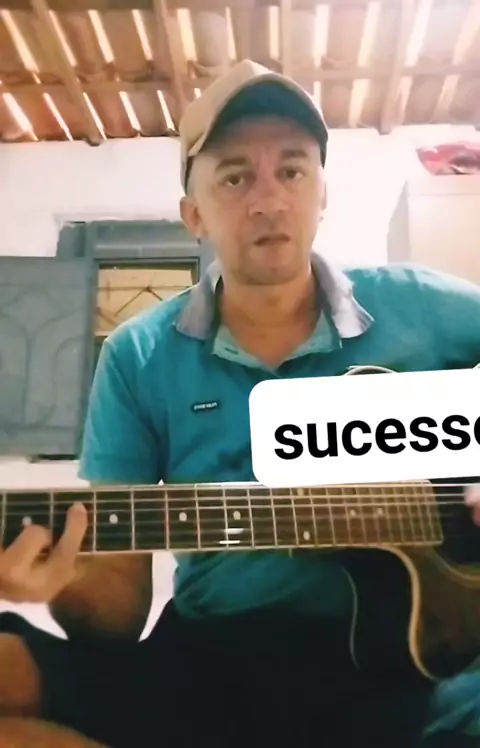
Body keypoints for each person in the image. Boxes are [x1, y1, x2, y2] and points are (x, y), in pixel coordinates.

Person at [1, 59, 480, 748]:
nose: (268, 199)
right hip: (212, 660)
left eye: (292, 170)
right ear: (193, 214)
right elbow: (119, 617)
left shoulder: (421, 305)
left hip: (420, 653)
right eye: (234, 177)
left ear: (322, 194)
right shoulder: (138, 356)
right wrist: (61, 577)